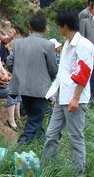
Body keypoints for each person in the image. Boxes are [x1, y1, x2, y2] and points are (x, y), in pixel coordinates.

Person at [42, 11, 94, 175]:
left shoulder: (84, 45)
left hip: (74, 99)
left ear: (65, 25)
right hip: (62, 98)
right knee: (51, 134)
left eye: (59, 25)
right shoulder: (66, 44)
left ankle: (79, 172)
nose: (59, 28)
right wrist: (55, 95)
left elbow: (84, 73)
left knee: (75, 137)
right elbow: (62, 73)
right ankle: (47, 168)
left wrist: (76, 99)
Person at [6, 13, 57, 144]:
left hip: (22, 87)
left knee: (34, 117)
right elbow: (53, 69)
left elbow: (9, 61)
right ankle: (21, 146)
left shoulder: (18, 43)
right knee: (35, 119)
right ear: (45, 28)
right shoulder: (48, 45)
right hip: (40, 89)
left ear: (29, 27)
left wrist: (19, 73)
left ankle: (41, 142)